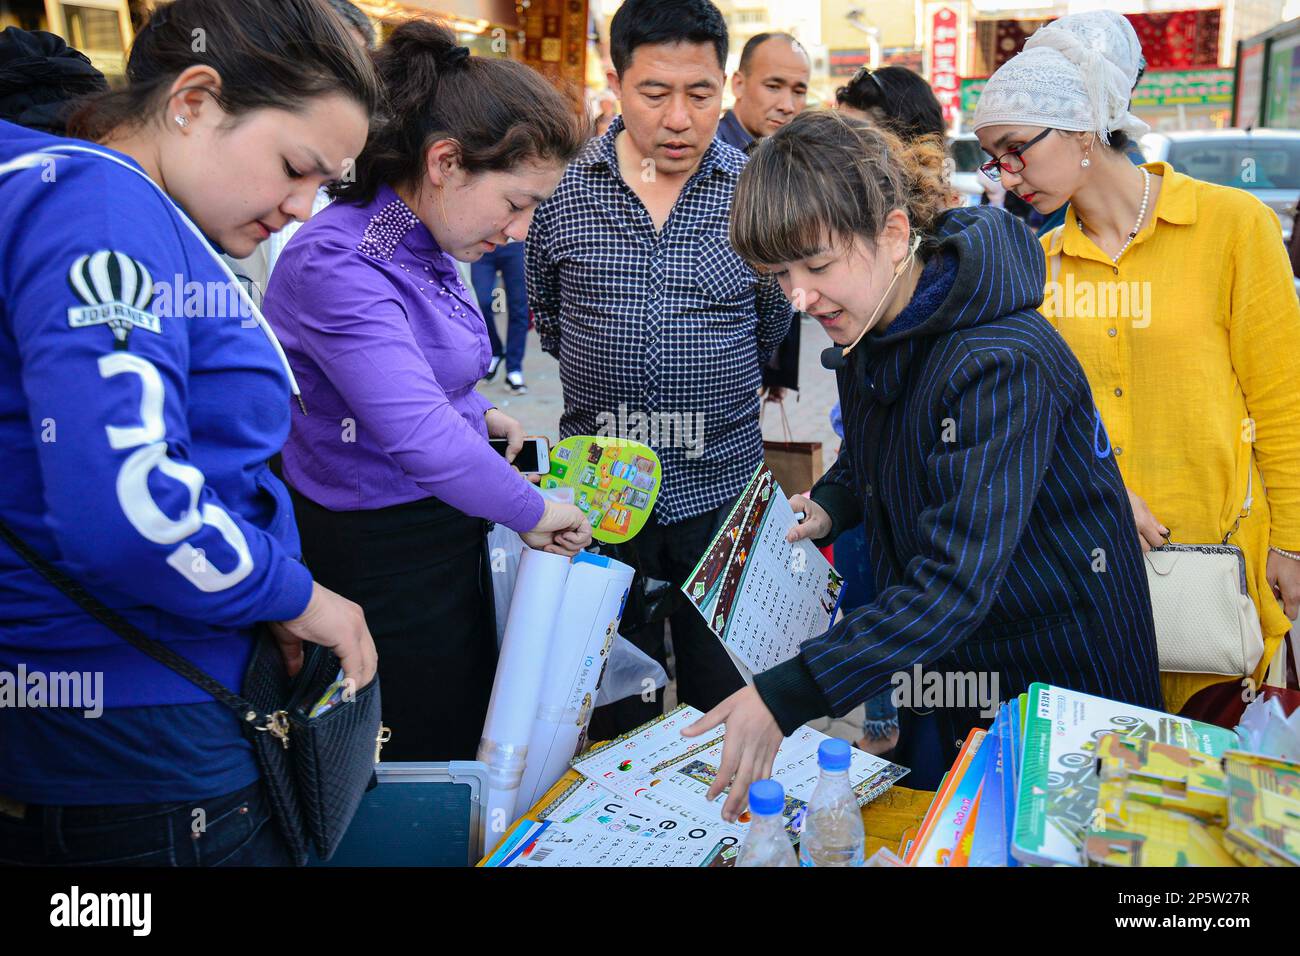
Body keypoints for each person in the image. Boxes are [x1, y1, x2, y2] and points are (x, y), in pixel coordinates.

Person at [684, 110, 1163, 815]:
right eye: (780, 274)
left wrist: (786, 696)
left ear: (895, 234)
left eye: (816, 265)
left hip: (1061, 671)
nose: (799, 297)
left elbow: (953, 583)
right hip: (957, 663)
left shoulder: (998, 362)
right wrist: (833, 503)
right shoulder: (880, 317)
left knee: (1060, 834)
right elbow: (875, 449)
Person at [0, 0, 379, 866]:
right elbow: (126, 501)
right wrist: (296, 597)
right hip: (141, 740)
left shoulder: (87, 199)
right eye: (294, 167)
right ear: (194, 100)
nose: (299, 207)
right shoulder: (101, 205)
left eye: (322, 187)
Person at [261, 19, 593, 763]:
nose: (521, 229)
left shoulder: (406, 237)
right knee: (419, 744)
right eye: (516, 202)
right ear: (444, 161)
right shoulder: (342, 260)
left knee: (465, 720)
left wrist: (482, 411)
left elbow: (424, 377)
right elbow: (416, 430)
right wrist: (537, 510)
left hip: (440, 529)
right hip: (379, 557)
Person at [973, 11, 1300, 717]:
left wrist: (1294, 544)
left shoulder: (1232, 226)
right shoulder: (1037, 267)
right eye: (991, 158)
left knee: (1214, 782)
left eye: (1015, 149)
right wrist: (1104, 492)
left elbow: (1284, 401)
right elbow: (1032, 426)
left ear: (1083, 130)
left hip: (1222, 575)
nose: (1005, 173)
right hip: (1087, 575)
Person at [526, 0, 793, 737]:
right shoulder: (563, 193)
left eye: (700, 94)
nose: (678, 119)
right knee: (611, 707)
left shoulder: (757, 192)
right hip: (597, 498)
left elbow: (773, 325)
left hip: (724, 493)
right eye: (655, 93)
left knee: (730, 706)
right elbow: (548, 320)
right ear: (616, 82)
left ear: (725, 86)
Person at [715, 31, 810, 403]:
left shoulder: (789, 159)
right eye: (774, 86)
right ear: (738, 83)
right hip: (713, 364)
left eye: (798, 91)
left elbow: (786, 264)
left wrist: (779, 367)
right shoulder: (707, 153)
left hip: (760, 364)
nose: (787, 104)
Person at [470, 239, 531, 392]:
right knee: (480, 302)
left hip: (515, 245)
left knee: (519, 308)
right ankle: (496, 351)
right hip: (482, 243)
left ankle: (514, 369)